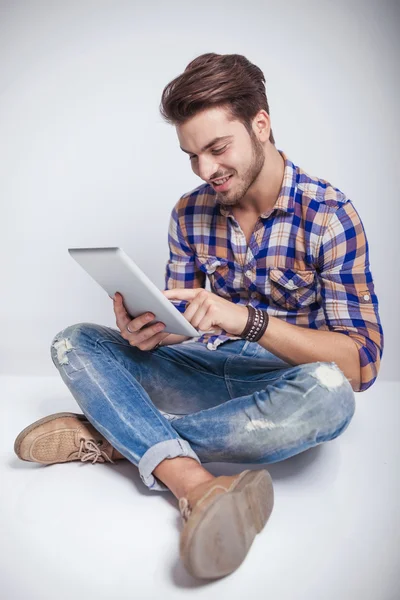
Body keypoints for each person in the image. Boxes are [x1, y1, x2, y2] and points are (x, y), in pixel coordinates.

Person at [14, 53, 384, 581]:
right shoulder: (189, 213)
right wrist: (152, 334)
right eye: (192, 155)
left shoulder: (330, 216)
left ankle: (118, 436)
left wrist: (247, 321)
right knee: (76, 342)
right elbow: (186, 325)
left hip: (285, 382)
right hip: (205, 372)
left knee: (331, 395)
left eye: (217, 148)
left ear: (261, 124)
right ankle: (194, 482)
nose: (206, 169)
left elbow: (361, 364)